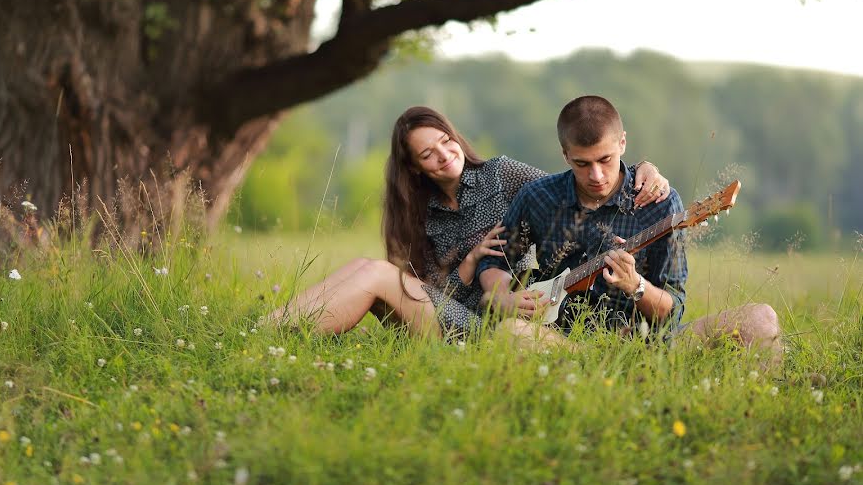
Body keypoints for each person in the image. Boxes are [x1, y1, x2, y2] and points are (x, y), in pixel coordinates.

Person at [271, 106, 671, 340]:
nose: (445, 155)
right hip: (450, 314)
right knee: (366, 268)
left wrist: (643, 168)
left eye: (446, 141)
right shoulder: (419, 216)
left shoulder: (503, 174)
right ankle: (268, 330)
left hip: (499, 322)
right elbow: (425, 287)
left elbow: (573, 187)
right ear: (413, 167)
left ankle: (283, 337)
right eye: (428, 154)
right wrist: (466, 266)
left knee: (375, 274)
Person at [477, 96, 782, 364]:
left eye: (605, 160)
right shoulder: (538, 196)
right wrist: (503, 297)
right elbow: (494, 261)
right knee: (511, 332)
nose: (595, 175)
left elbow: (672, 311)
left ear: (622, 142)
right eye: (582, 163)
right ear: (564, 154)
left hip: (650, 347)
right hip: (562, 344)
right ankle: (598, 366)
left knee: (761, 319)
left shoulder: (660, 202)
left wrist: (635, 285)